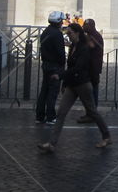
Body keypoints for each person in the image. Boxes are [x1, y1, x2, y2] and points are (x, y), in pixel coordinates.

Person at [38, 23, 112, 152]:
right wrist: (65, 83)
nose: (68, 36)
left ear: (77, 33)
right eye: (67, 34)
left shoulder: (84, 48)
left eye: (70, 33)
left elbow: (78, 67)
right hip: (72, 84)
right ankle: (52, 144)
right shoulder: (73, 46)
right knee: (61, 113)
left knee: (93, 112)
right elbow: (70, 67)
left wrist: (60, 76)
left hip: (83, 84)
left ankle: (107, 136)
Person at [35, 11, 66, 125]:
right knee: (52, 92)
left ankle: (39, 116)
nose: (62, 23)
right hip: (55, 66)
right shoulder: (57, 34)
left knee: (44, 91)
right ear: (58, 22)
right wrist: (63, 64)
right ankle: (50, 116)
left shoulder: (45, 32)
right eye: (61, 21)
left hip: (46, 64)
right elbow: (60, 53)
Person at [80, 18, 105, 112]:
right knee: (89, 91)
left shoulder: (95, 35)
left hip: (93, 67)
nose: (83, 27)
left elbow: (92, 45)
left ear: (91, 26)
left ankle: (92, 112)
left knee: (92, 90)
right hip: (89, 67)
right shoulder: (91, 35)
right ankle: (90, 112)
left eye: (85, 26)